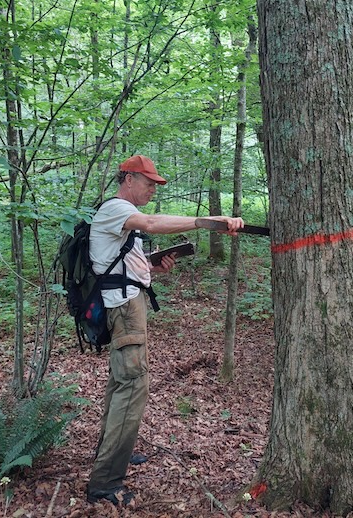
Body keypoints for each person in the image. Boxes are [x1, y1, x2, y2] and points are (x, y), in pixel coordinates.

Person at [85, 154, 244, 507]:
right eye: (148, 183)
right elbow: (154, 222)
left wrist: (153, 267)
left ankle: (114, 456)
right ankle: (105, 481)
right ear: (127, 179)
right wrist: (205, 222)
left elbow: (117, 264)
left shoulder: (124, 221)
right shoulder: (115, 209)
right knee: (133, 385)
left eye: (156, 184)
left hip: (129, 303)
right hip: (124, 310)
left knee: (121, 384)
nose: (153, 189)